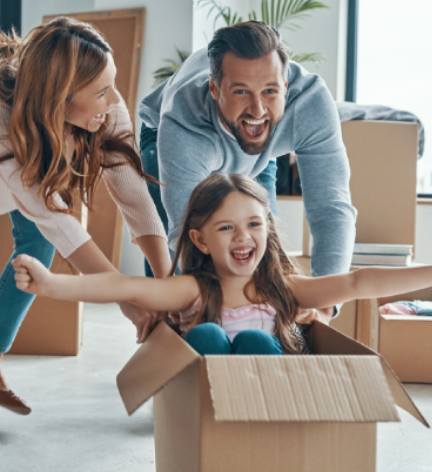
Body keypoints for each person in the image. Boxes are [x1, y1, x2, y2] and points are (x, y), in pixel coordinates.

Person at [0, 18, 172, 415]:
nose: (116, 101)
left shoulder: (103, 108)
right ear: (61, 99)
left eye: (112, 84)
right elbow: (57, 218)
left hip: (17, 164)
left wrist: (165, 286)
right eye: (102, 92)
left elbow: (133, 192)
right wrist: (127, 298)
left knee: (37, 254)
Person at [11, 174, 432, 355]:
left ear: (268, 230)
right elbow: (126, 288)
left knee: (257, 337)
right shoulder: (193, 288)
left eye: (254, 225)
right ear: (199, 239)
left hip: (267, 403)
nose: (243, 238)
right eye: (226, 228)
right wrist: (53, 285)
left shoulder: (285, 290)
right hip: (204, 404)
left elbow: (359, 281)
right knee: (208, 334)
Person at [138, 21, 358, 324]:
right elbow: (187, 233)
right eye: (241, 91)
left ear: (285, 86)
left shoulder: (310, 104)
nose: (257, 108)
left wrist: (324, 305)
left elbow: (331, 209)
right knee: (174, 280)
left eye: (270, 91)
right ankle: (166, 339)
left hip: (258, 147)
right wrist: (206, 311)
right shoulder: (183, 119)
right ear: (215, 88)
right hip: (167, 136)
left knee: (263, 250)